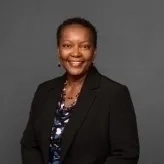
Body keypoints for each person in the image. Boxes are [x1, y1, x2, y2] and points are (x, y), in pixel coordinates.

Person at [20, 17, 139, 164]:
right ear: (58, 51)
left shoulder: (114, 94)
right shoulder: (44, 91)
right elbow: (29, 145)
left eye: (84, 46)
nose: (75, 53)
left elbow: (125, 155)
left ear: (94, 52)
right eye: (67, 45)